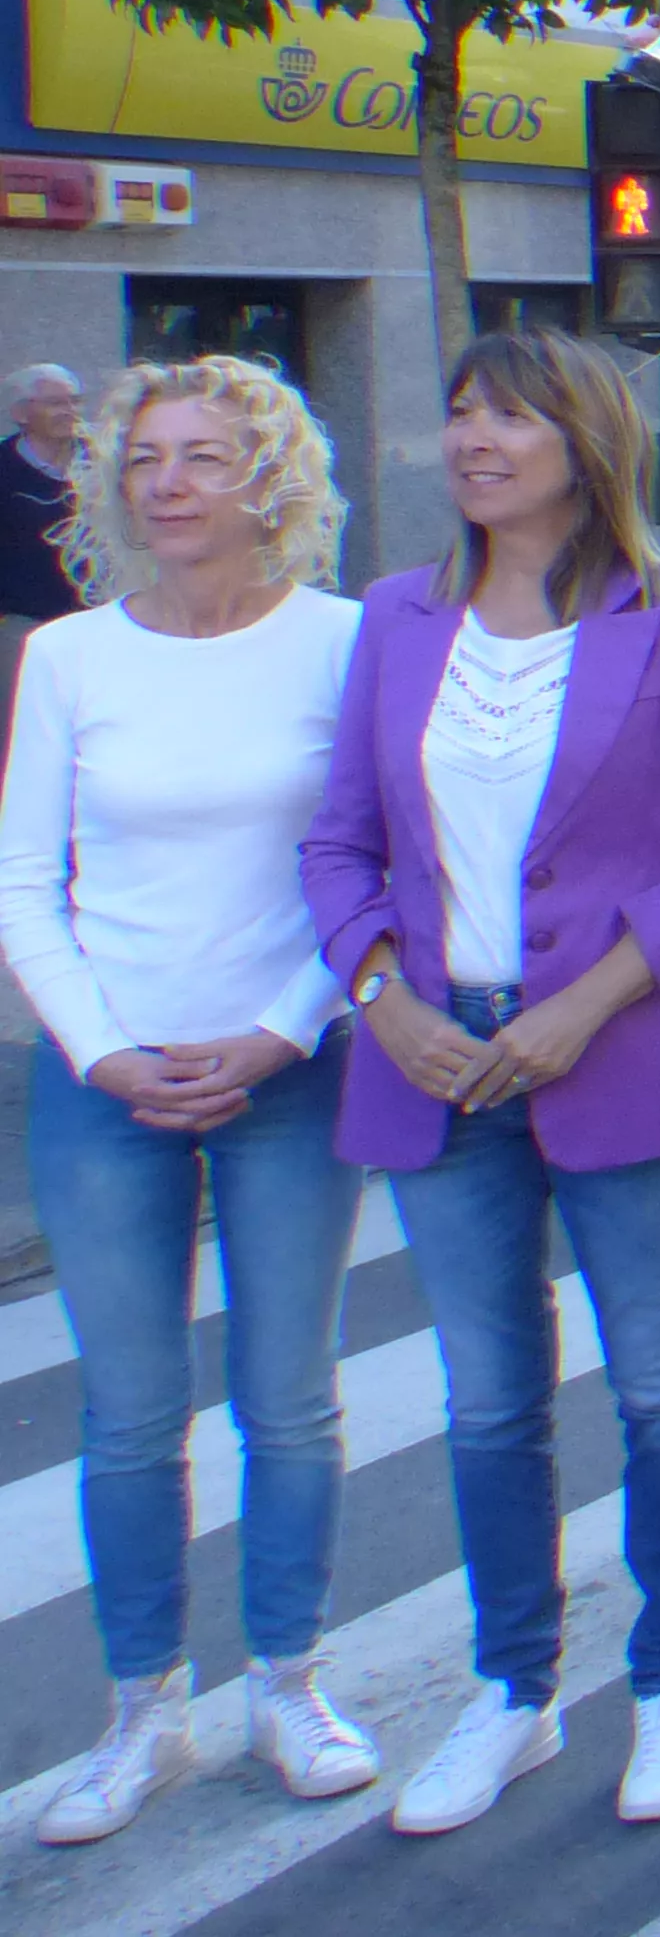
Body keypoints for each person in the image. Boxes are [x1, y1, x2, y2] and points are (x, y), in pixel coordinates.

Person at [302, 330, 660, 1836]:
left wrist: (586, 1003)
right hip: (437, 1057)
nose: (473, 439)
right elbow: (337, 848)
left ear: (586, 440)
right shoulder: (392, 617)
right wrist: (383, 1003)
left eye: (508, 414)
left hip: (617, 1039)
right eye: (457, 414)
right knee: (490, 1397)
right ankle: (511, 1692)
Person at [0, 355, 372, 1842]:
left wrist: (286, 1032)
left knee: (290, 1402)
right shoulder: (74, 657)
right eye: (144, 457)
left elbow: (374, 869)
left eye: (204, 457)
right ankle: (141, 1708)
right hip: (108, 1082)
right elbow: (27, 887)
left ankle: (289, 1677)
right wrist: (101, 1052)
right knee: (131, 1415)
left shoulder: (345, 645)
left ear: (268, 479)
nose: (167, 482)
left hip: (293, 1066)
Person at [0, 360, 83, 730]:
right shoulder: (4, 468)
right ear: (21, 413)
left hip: (91, 620)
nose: (69, 412)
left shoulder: (97, 463)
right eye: (55, 403)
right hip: (22, 626)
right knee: (23, 727)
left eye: (74, 402)